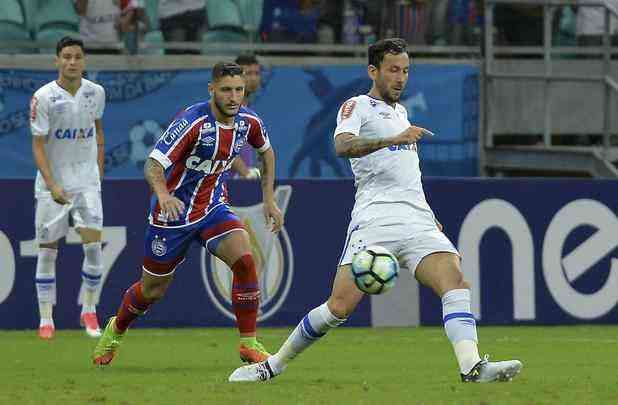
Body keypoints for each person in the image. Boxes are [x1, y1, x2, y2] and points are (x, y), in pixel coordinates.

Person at [229, 38, 523, 383]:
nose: (401, 78)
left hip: (416, 219)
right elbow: (342, 146)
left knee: (455, 282)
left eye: (406, 71)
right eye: (393, 70)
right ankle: (271, 366)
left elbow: (405, 172)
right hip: (376, 219)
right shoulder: (357, 106)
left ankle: (472, 366)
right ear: (374, 71)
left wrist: (428, 213)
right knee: (338, 307)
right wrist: (391, 139)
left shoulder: (401, 113)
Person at [93, 62, 284, 367]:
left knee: (246, 261)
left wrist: (269, 200)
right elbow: (153, 165)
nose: (233, 97)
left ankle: (248, 343)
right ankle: (116, 329)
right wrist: (164, 195)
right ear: (212, 90)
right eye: (226, 90)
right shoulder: (192, 121)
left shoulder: (248, 121)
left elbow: (267, 152)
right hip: (173, 216)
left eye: (238, 90)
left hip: (212, 208)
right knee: (151, 291)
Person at [30, 36, 106, 339]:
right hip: (53, 186)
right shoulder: (43, 98)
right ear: (57, 61)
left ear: (84, 61)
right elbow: (37, 146)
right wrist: (51, 184)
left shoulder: (96, 93)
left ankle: (89, 311)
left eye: (77, 57)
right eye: (66, 56)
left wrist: (97, 172)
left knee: (93, 250)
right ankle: (46, 319)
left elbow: (98, 131)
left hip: (87, 183)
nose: (72, 62)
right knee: (48, 252)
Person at [230, 53, 262, 179]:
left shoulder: (249, 112)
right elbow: (224, 148)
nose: (253, 78)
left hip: (240, 185)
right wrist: (246, 173)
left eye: (256, 73)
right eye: (248, 74)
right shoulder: (226, 110)